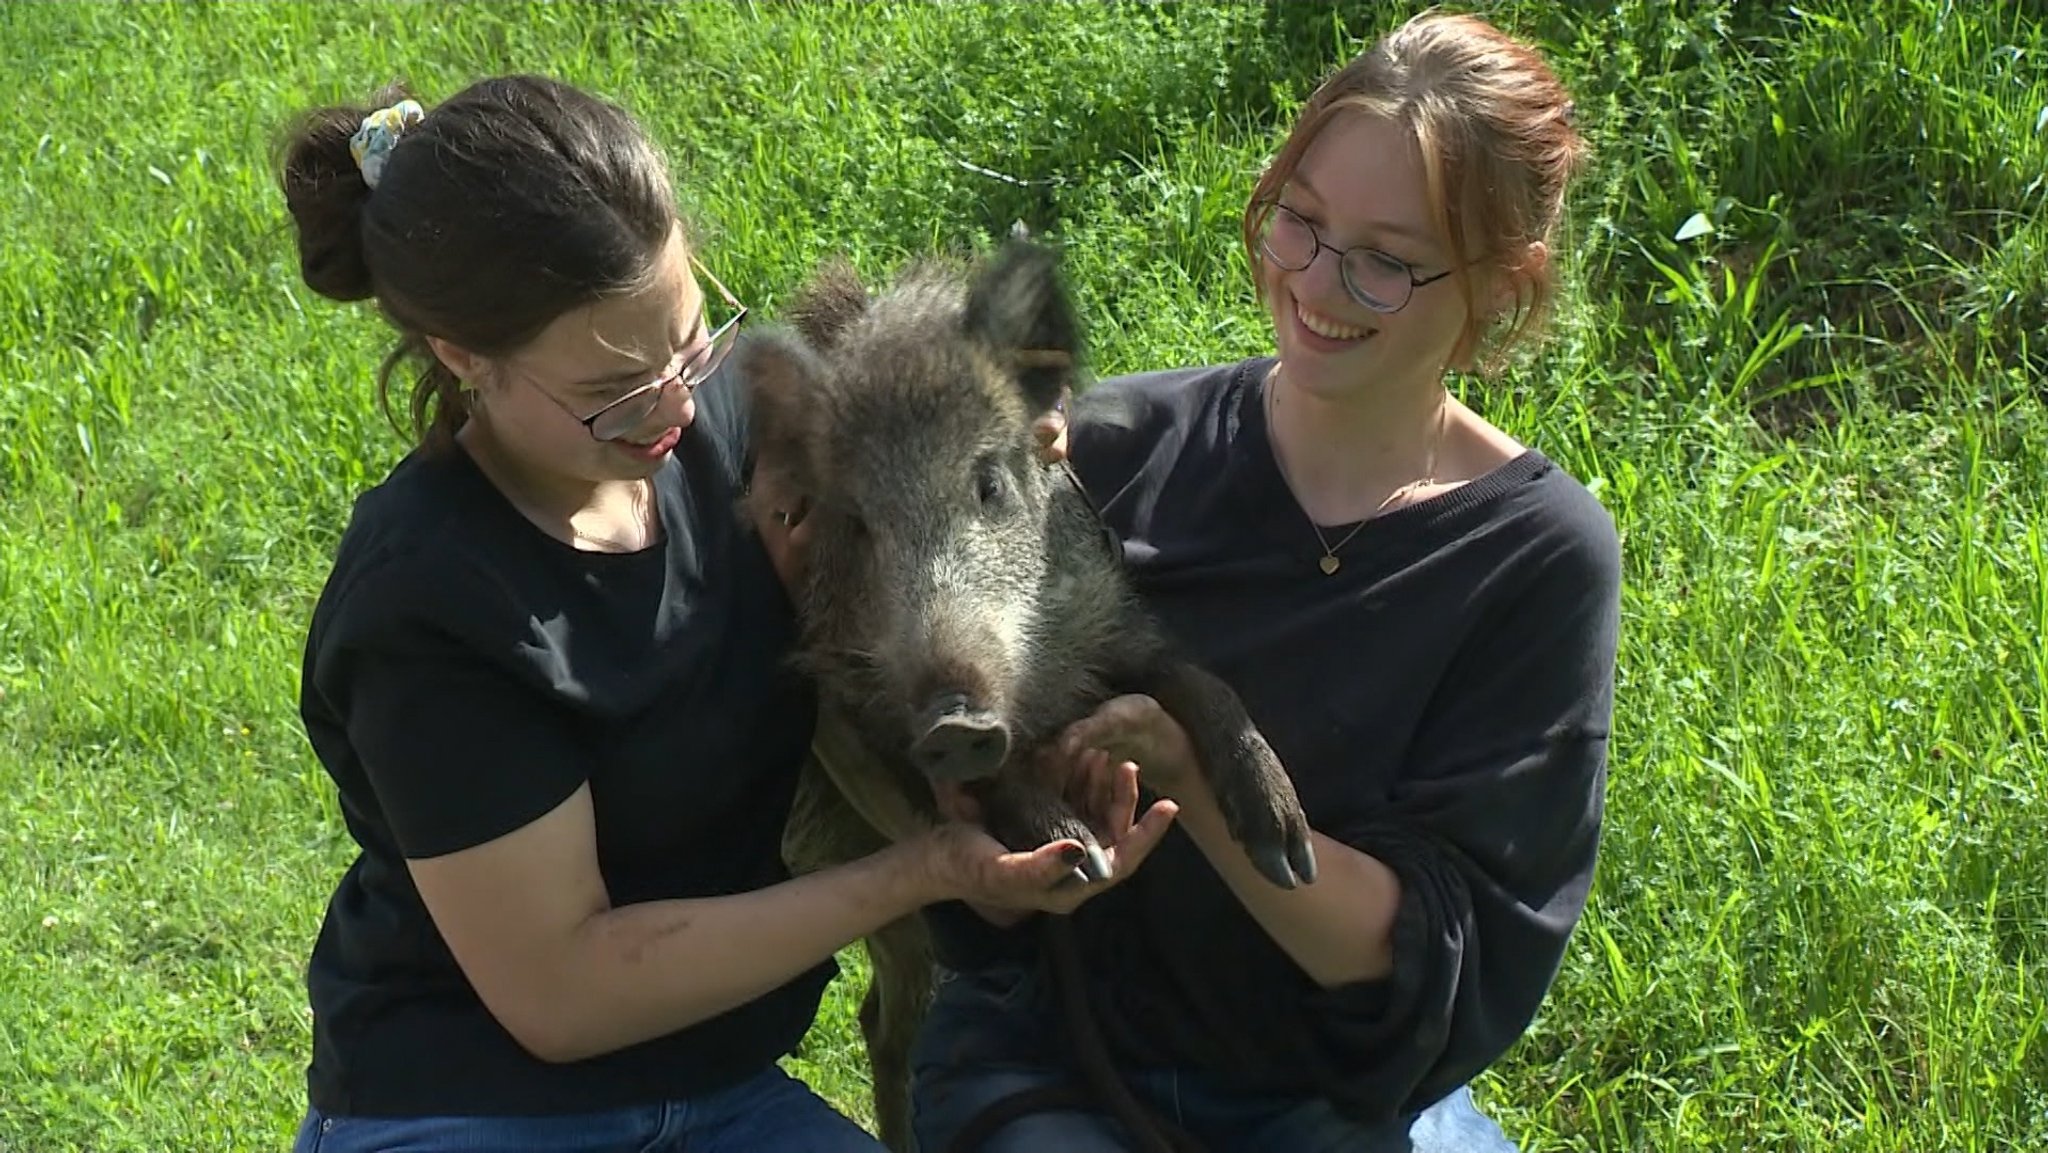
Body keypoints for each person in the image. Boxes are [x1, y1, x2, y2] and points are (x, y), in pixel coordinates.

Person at [274, 74, 1173, 1153]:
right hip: (469, 1109)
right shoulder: (430, 606)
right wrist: (921, 870)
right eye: (614, 387)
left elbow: (941, 433)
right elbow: (565, 994)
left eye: (688, 337)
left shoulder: (742, 419)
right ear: (466, 357)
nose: (674, 405)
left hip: (720, 1098)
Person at [910, 11, 1621, 1153]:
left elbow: (1427, 962)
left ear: (1499, 284)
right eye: (1298, 219)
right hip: (1052, 1056)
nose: (1315, 283)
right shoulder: (1110, 448)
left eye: (1385, 260)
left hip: (1323, 1098)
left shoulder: (1534, 558)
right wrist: (1007, 851)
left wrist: (1195, 764)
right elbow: (972, 850)